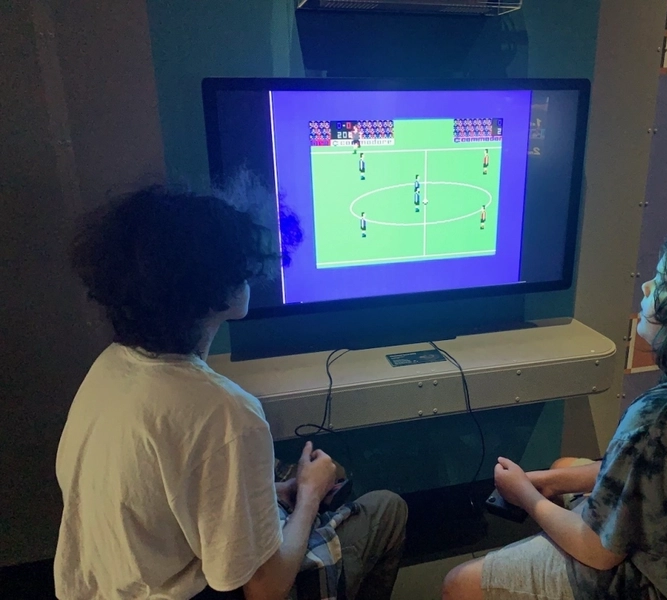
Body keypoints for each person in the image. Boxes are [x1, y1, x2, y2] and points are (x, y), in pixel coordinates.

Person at [56, 186, 406, 600]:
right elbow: (264, 589)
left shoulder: (110, 367)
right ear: (216, 292)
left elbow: (164, 504)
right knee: (387, 509)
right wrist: (310, 493)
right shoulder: (227, 412)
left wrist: (272, 494)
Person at [443, 227, 667, 600]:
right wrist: (549, 481)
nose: (646, 287)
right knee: (566, 464)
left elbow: (597, 551)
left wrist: (525, 496)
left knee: (461, 583)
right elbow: (655, 471)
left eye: (661, 281)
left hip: (663, 586)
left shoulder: (664, 419)